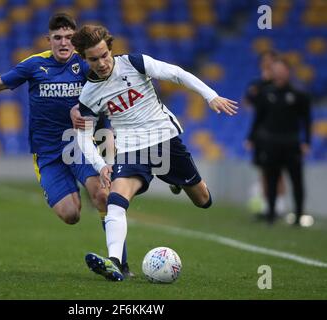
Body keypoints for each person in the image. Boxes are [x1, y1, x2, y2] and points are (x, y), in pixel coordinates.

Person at [0, 13, 132, 276]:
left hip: (79, 147)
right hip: (47, 154)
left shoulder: (85, 66)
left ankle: (119, 265)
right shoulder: (34, 65)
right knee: (71, 215)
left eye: (69, 37)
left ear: (76, 40)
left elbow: (110, 94)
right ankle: (76, 192)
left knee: (103, 196)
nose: (63, 42)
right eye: (57, 37)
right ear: (48, 39)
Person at [70, 25, 238, 281]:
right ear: (84, 59)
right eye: (94, 59)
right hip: (129, 149)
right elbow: (82, 135)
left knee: (203, 200)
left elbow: (176, 74)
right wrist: (101, 165)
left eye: (105, 55)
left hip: (164, 139)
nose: (102, 63)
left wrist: (210, 96)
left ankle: (175, 182)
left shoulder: (135, 63)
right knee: (115, 200)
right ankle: (114, 262)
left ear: (110, 49)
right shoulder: (89, 95)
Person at [247, 58, 312, 225]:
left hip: (292, 142)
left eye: (281, 69)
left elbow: (306, 120)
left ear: (287, 71)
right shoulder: (266, 92)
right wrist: (251, 137)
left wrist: (307, 141)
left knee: (296, 180)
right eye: (275, 69)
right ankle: (270, 214)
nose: (278, 72)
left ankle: (298, 215)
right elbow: (258, 117)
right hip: (271, 142)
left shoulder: (298, 94)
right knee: (271, 179)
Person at [245, 50, 287, 218]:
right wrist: (251, 136)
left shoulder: (281, 85)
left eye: (271, 61)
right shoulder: (258, 84)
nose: (268, 65)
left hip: (280, 133)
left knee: (279, 171)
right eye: (265, 62)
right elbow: (248, 101)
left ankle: (281, 206)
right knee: (263, 170)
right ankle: (267, 206)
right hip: (262, 134)